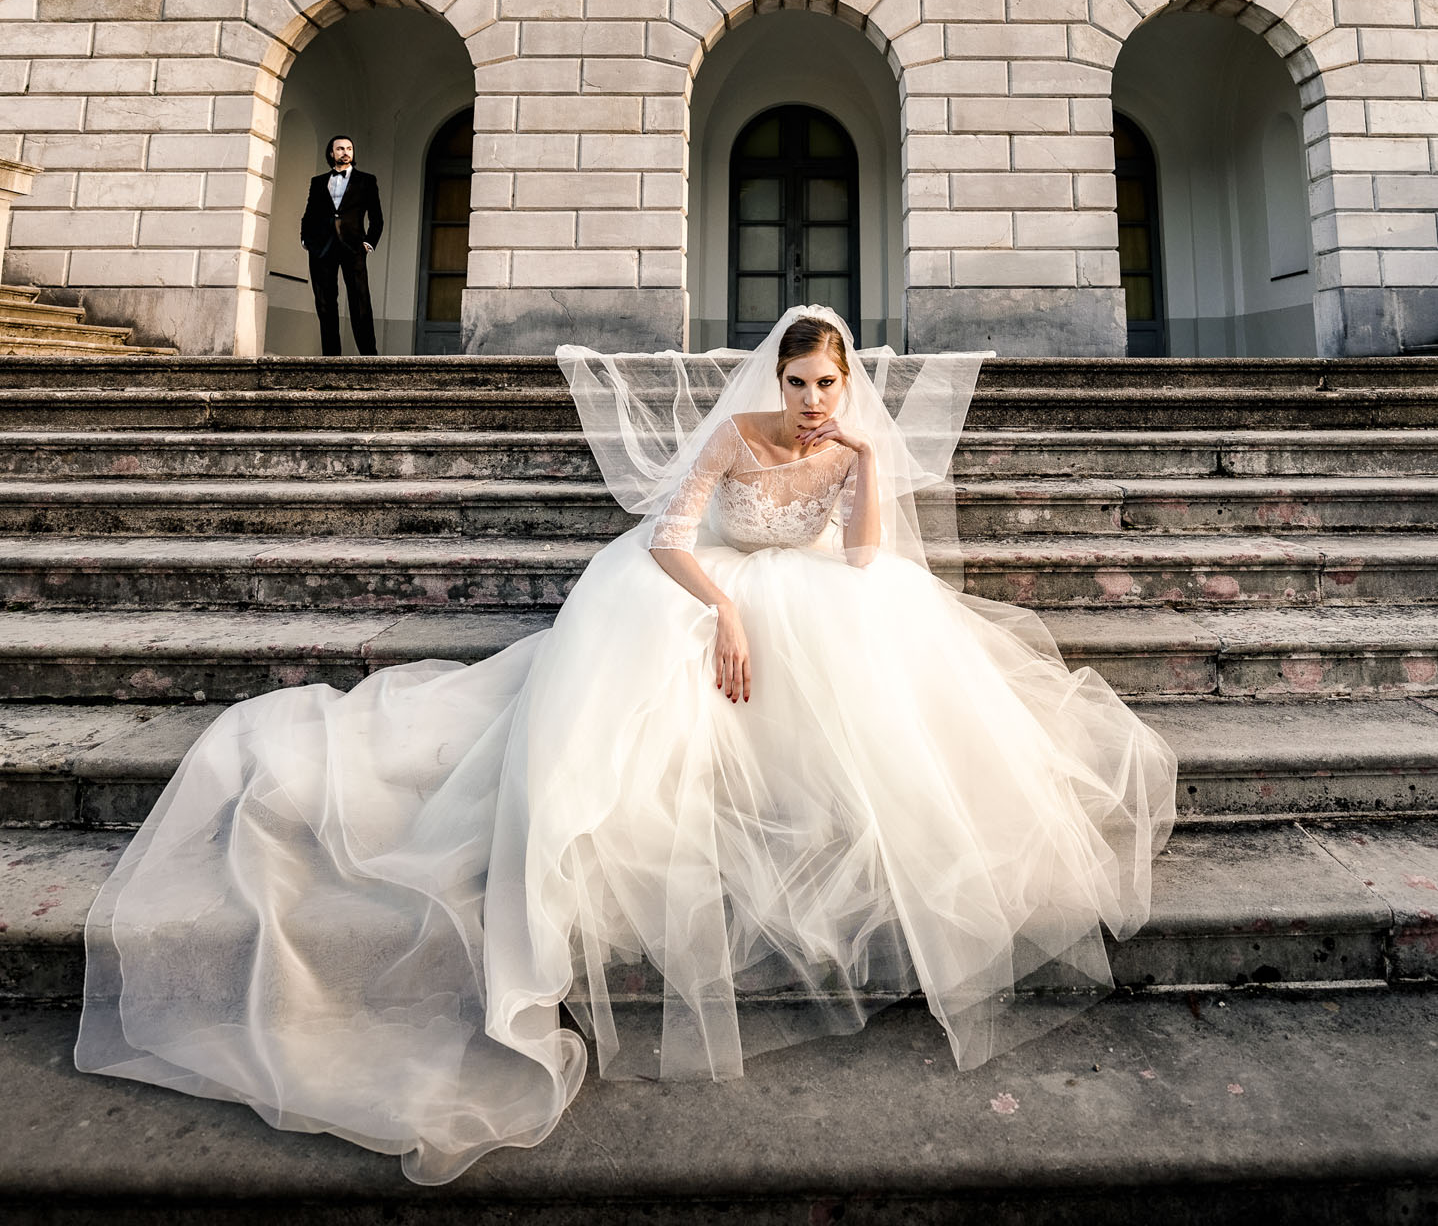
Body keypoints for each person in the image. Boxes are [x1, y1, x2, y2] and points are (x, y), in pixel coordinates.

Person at [75, 307, 1177, 1186]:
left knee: (875, 633)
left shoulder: (843, 448)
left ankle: (833, 823)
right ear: (773, 382)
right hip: (699, 584)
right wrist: (729, 614)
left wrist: (861, 463)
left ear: (848, 385)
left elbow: (862, 559)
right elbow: (669, 537)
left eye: (825, 385)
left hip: (810, 593)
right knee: (684, 677)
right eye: (794, 384)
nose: (807, 402)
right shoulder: (736, 436)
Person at [300, 134, 383, 356]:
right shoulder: (317, 182)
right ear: (331, 153)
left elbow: (377, 218)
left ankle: (369, 356)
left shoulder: (367, 180)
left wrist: (368, 243)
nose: (345, 152)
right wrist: (306, 239)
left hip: (353, 247)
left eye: (349, 148)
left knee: (360, 300)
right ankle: (331, 358)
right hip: (322, 248)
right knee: (325, 303)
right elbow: (309, 214)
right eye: (339, 149)